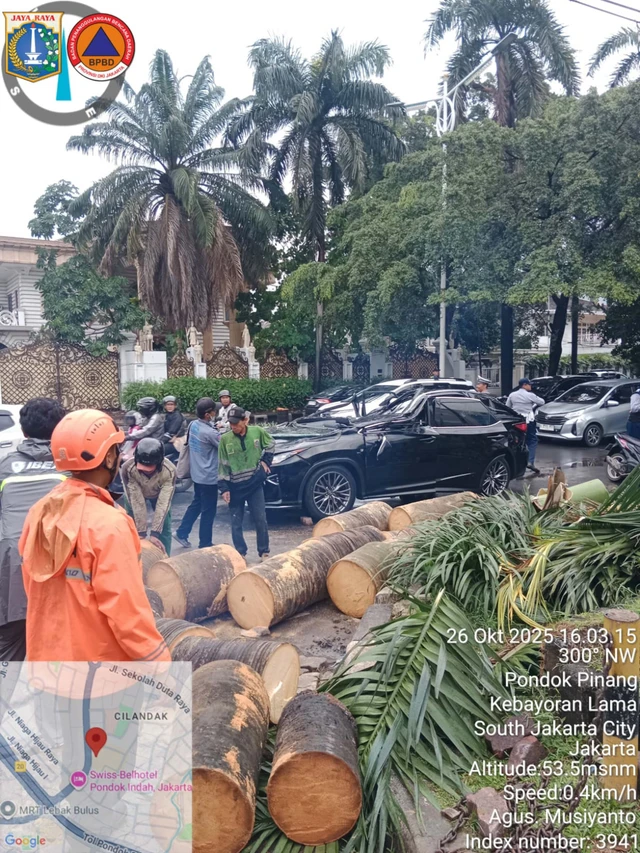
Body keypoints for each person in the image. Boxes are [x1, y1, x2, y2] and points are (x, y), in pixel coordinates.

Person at [18, 409, 170, 662]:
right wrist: (158, 661)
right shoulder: (110, 523)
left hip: (46, 663)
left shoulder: (40, 511)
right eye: (117, 451)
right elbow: (126, 610)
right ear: (109, 456)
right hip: (100, 675)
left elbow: (32, 583)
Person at [0, 398, 67, 661]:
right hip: (60, 574)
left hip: (10, 575)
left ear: (23, 431)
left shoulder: (5, 467)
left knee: (9, 652)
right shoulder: (73, 466)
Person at [218, 405, 275, 561]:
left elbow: (271, 444)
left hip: (255, 483)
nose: (233, 426)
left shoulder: (257, 432)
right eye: (231, 423)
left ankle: (264, 552)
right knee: (236, 522)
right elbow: (222, 465)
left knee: (260, 519)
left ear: (245, 420)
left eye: (236, 423)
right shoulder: (225, 439)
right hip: (235, 486)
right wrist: (224, 488)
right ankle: (241, 553)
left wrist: (266, 461)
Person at [174, 397, 220, 550]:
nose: (215, 413)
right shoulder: (210, 433)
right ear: (208, 414)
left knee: (197, 504)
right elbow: (223, 447)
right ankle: (205, 542)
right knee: (208, 511)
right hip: (209, 477)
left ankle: (181, 532)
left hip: (197, 473)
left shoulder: (193, 424)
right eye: (214, 411)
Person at [121, 438, 176, 556]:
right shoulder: (128, 468)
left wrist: (155, 533)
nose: (146, 472)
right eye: (142, 469)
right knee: (132, 527)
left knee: (164, 528)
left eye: (150, 469)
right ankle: (130, 556)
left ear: (159, 463)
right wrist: (141, 531)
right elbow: (137, 501)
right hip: (136, 494)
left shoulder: (169, 471)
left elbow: (163, 503)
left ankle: (165, 559)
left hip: (159, 494)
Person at [506, 378, 546, 476]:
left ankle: (518, 464)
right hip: (528, 421)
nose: (530, 386)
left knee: (519, 442)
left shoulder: (512, 395)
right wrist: (532, 404)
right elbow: (542, 402)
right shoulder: (530, 395)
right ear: (524, 385)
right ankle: (529, 461)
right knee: (532, 440)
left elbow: (507, 406)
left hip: (517, 421)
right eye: (529, 384)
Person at [162, 395, 186, 461]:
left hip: (177, 442)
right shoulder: (168, 415)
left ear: (175, 405)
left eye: (171, 404)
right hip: (170, 440)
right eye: (168, 404)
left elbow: (171, 432)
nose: (170, 406)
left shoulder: (177, 416)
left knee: (159, 449)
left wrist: (160, 442)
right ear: (165, 406)